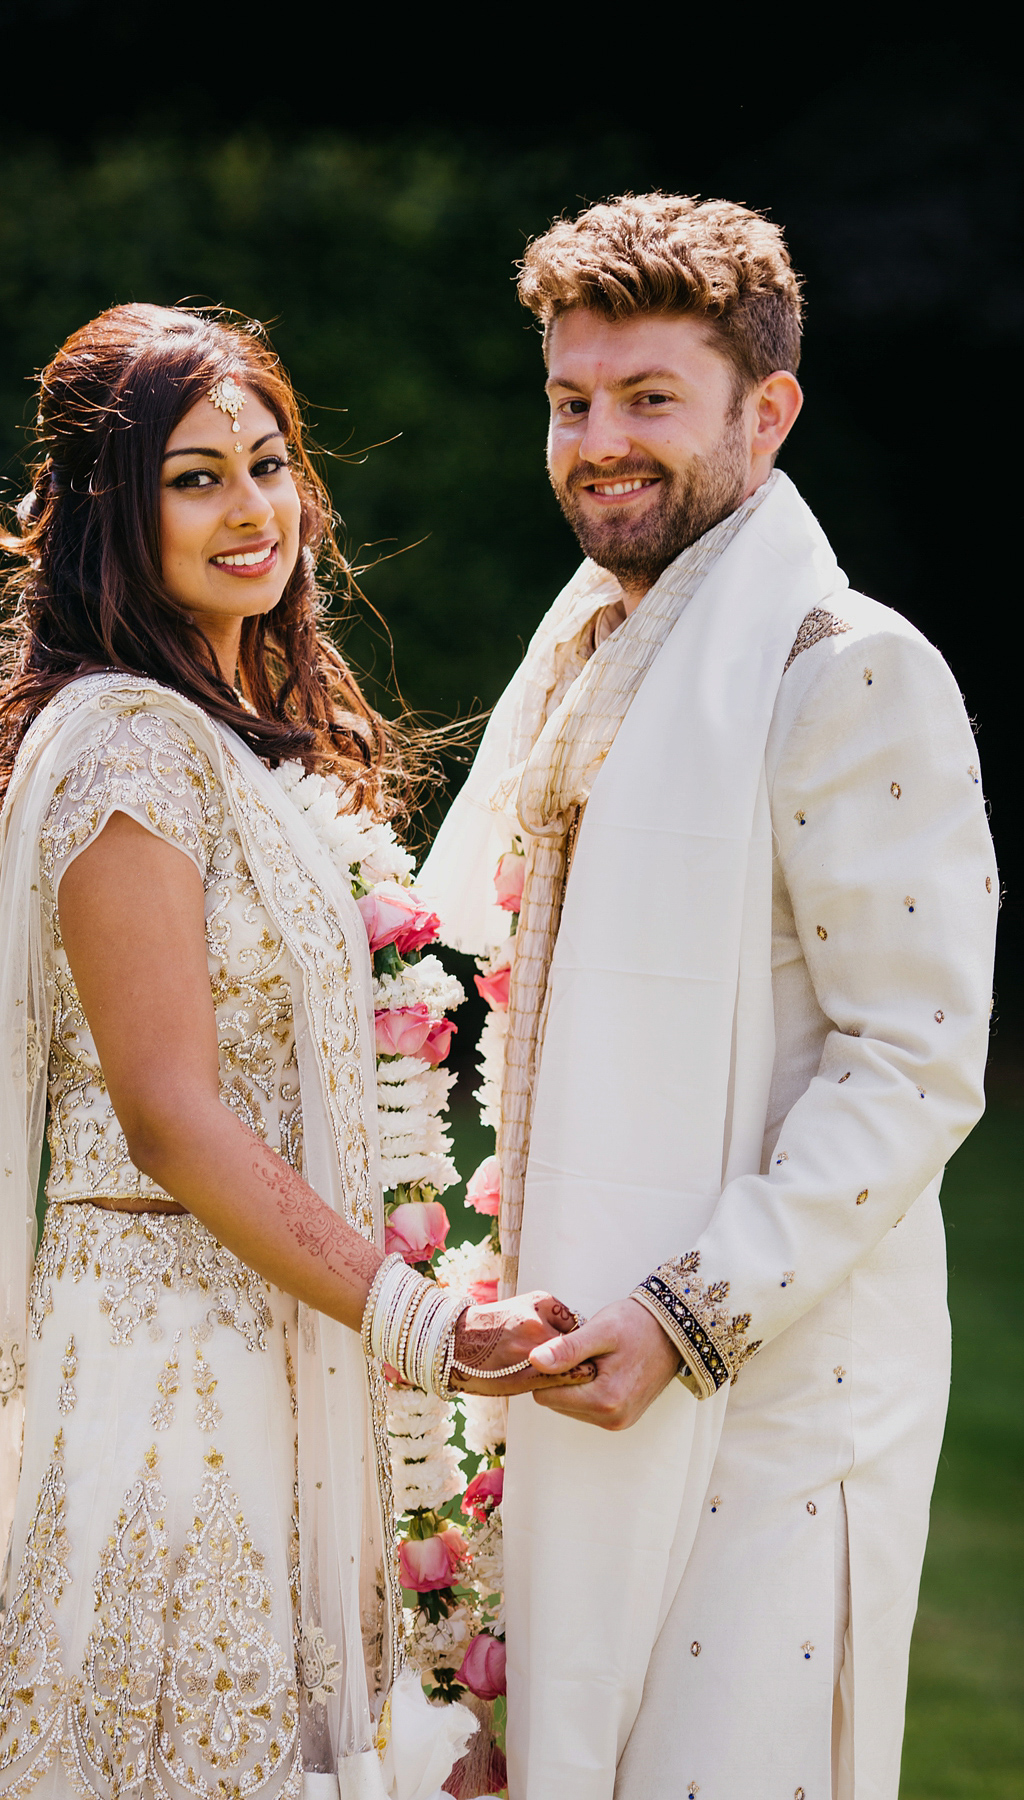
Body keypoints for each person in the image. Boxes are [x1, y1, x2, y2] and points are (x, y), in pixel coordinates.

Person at [0, 302, 586, 1800]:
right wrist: (419, 1317)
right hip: (176, 1378)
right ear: (109, 508)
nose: (252, 510)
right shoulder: (126, 749)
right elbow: (166, 1113)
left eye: (270, 463)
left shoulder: (227, 733)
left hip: (286, 1341)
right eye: (194, 476)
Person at [417, 196, 998, 1799]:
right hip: (580, 1343)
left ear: (769, 410)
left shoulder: (846, 667)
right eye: (571, 400)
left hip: (772, 1390)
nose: (599, 441)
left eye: (649, 399)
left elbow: (917, 1065)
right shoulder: (595, 651)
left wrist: (688, 1313)